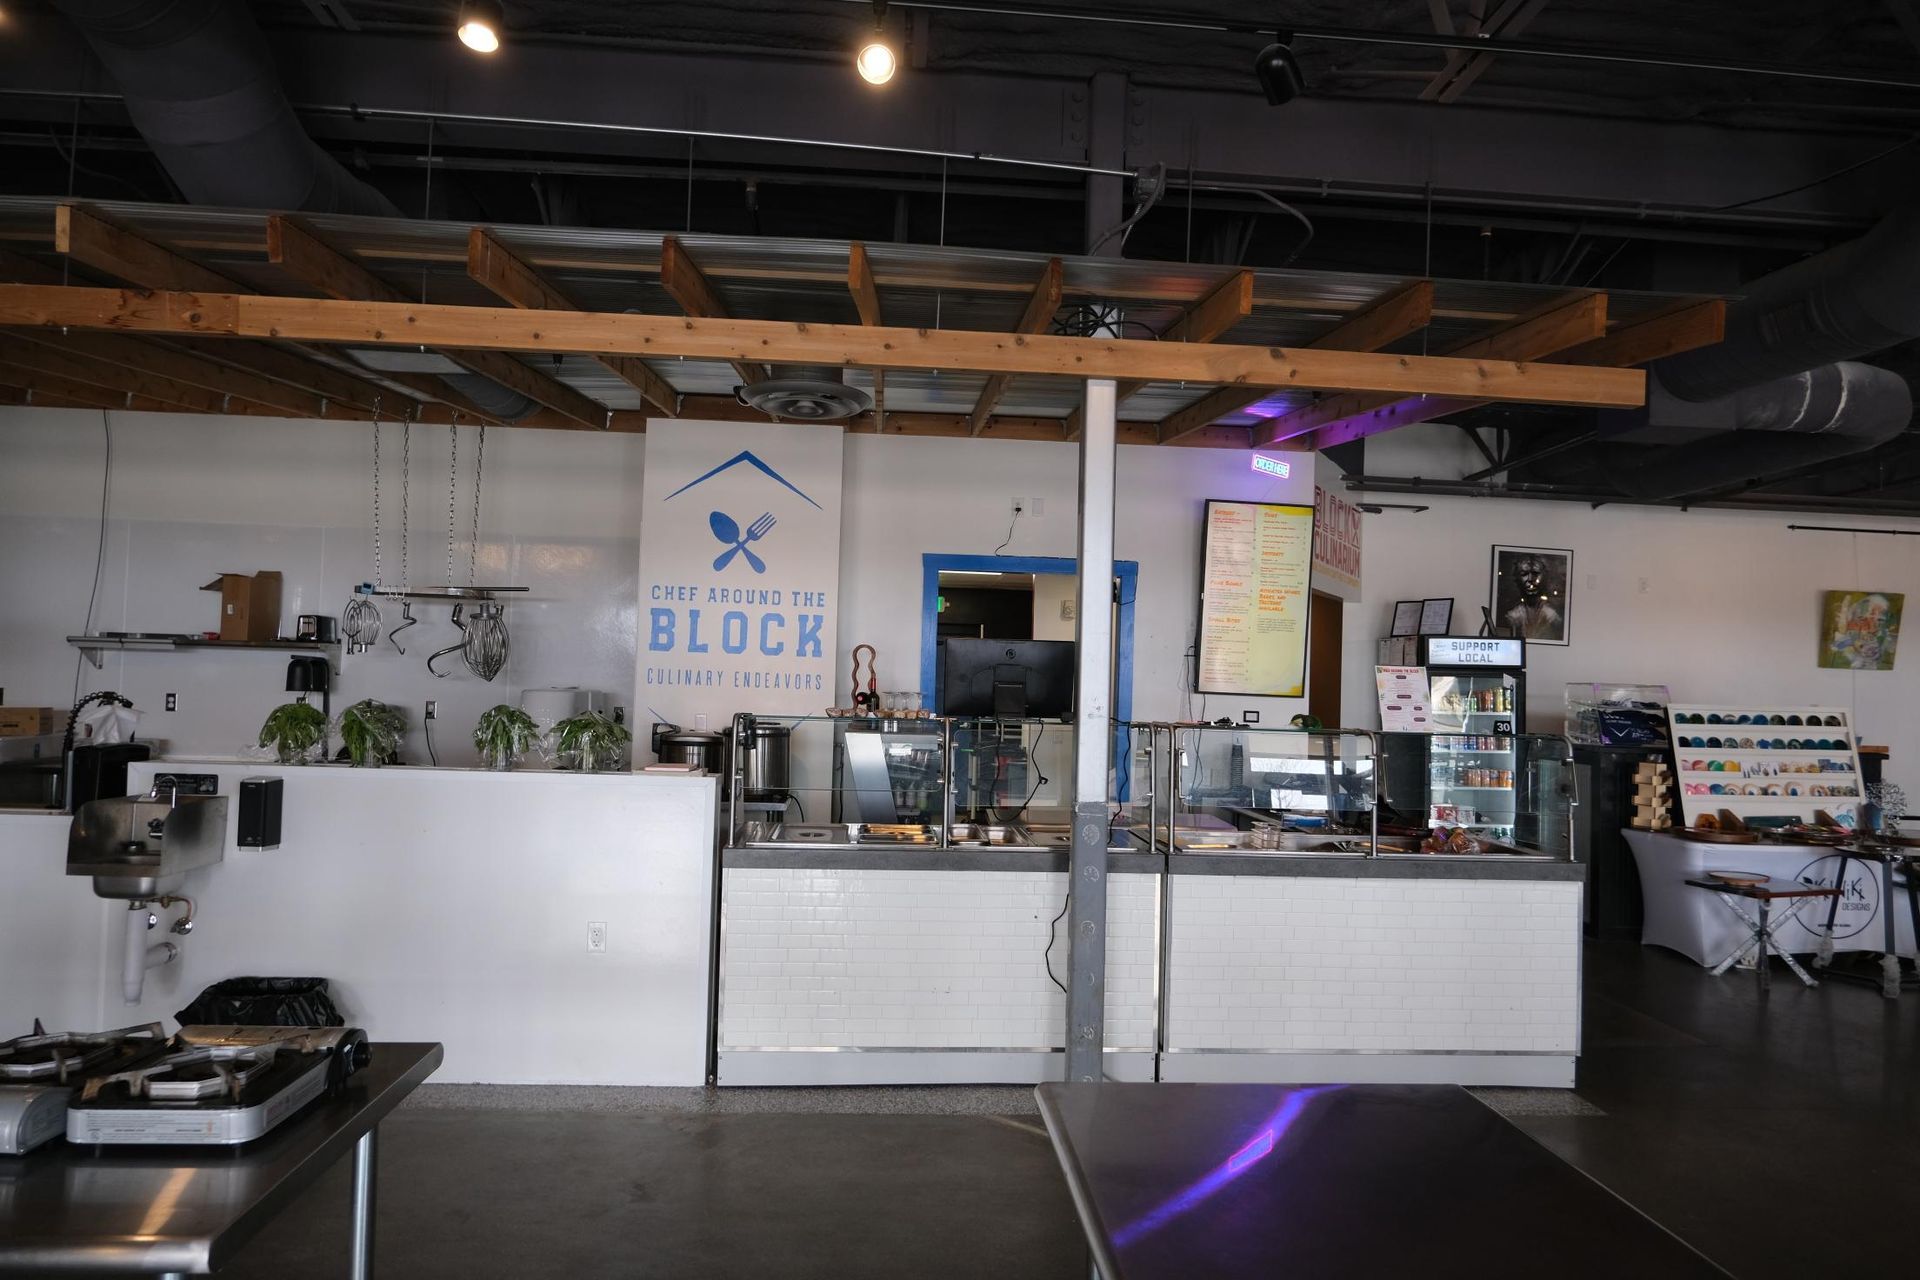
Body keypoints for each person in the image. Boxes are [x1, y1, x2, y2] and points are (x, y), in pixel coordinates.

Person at [1501, 554, 1561, 639]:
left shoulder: (1553, 616)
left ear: (1545, 577)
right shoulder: (1512, 616)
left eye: (1535, 573)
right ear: (1517, 578)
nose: (1530, 579)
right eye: (1524, 574)